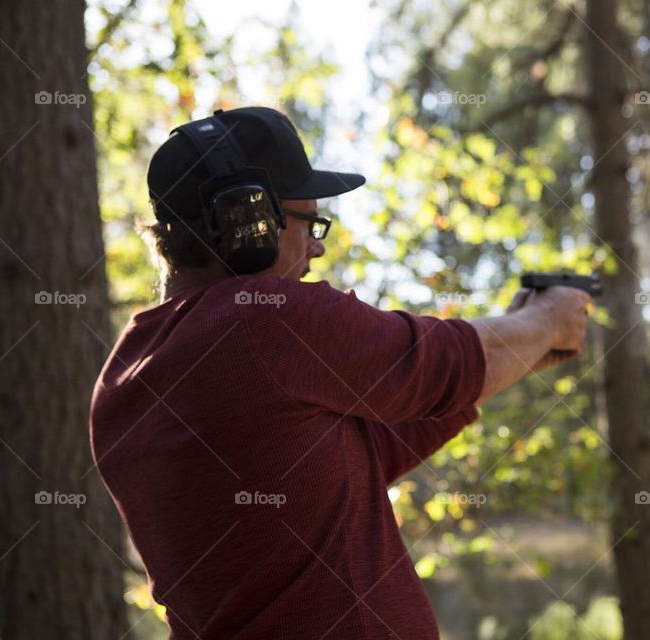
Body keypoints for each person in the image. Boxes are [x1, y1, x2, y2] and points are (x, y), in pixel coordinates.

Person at [89, 106, 589, 639]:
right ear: (247, 220)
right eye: (308, 222)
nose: (317, 246)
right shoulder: (262, 316)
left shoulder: (123, 377)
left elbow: (358, 454)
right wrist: (547, 320)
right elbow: (442, 363)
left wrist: (521, 342)